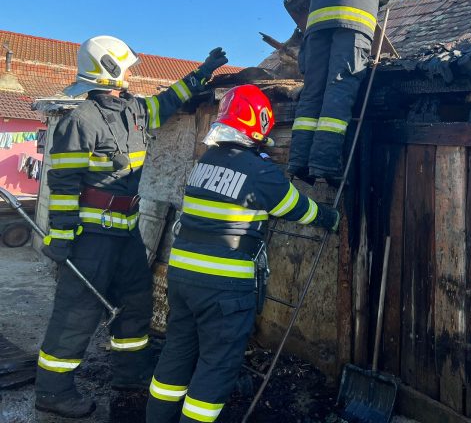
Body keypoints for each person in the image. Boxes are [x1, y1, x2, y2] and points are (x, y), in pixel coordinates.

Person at [35, 35, 228, 418]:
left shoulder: (135, 111)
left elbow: (169, 100)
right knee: (77, 313)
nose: (130, 76)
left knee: (136, 303)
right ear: (108, 69)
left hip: (126, 232)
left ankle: (131, 373)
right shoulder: (79, 120)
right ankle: (52, 390)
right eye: (125, 68)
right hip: (89, 237)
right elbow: (64, 184)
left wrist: (203, 73)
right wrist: (59, 235)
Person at [145, 84, 339, 423]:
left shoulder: (205, 162)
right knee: (216, 365)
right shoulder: (261, 171)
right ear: (259, 124)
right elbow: (296, 208)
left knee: (177, 353)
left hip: (182, 278)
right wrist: (329, 217)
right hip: (224, 287)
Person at [288, 0, 398, 184]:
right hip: (354, 24)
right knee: (340, 87)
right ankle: (324, 164)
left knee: (313, 89)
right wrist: (374, 4)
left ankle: (298, 160)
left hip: (316, 24)